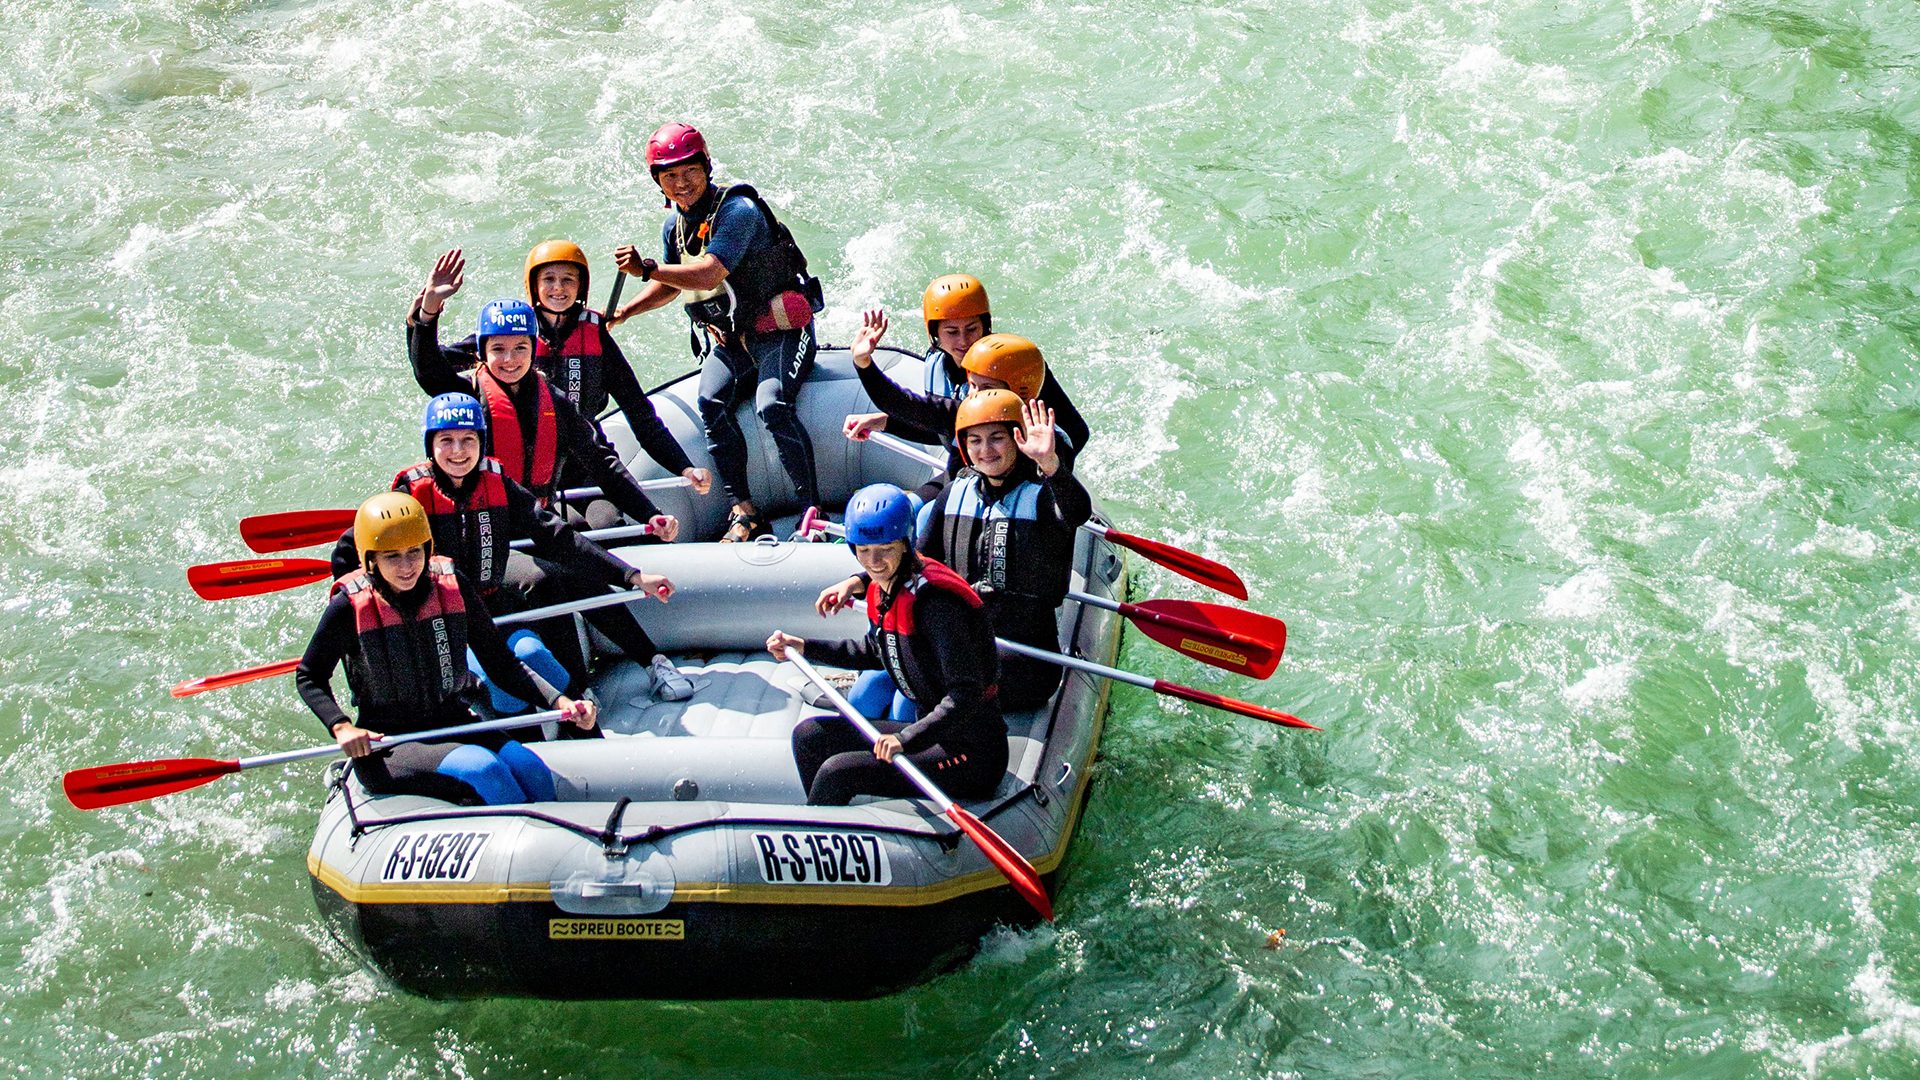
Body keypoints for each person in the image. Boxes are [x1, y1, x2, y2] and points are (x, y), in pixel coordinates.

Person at [327, 392, 686, 702]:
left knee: (555, 575)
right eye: (446, 441)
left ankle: (640, 664)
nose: (458, 452)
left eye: (468, 440)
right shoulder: (409, 497)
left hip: (489, 593)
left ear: (481, 442)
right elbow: (347, 552)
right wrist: (378, 603)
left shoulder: (497, 482)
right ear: (430, 446)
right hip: (440, 607)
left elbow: (558, 537)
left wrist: (633, 576)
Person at [297, 492, 599, 806]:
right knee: (482, 769)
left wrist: (559, 700)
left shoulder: (454, 587)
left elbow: (500, 662)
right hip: (389, 742)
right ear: (371, 559)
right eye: (392, 556)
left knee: (529, 766)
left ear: (428, 548)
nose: (406, 566)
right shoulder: (347, 608)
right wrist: (341, 725)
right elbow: (309, 676)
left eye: (414, 551)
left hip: (453, 718)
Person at [609, 122, 824, 541]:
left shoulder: (737, 212)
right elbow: (672, 285)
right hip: (735, 336)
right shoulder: (674, 226)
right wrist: (624, 312)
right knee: (710, 401)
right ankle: (743, 510)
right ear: (658, 182)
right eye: (669, 176)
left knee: (772, 403)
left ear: (706, 167)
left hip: (781, 329)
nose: (681, 183)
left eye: (689, 171)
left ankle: (809, 511)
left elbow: (710, 271)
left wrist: (647, 267)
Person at [820, 391, 1090, 711]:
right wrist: (857, 582)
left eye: (996, 439)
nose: (985, 450)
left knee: (913, 695)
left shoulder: (1044, 496)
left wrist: (1050, 464)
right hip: (962, 643)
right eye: (974, 440)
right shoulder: (955, 493)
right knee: (869, 691)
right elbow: (915, 562)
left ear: (1018, 439)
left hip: (1023, 659)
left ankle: (915, 748)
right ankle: (872, 749)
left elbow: (1077, 512)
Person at [408, 250, 684, 533]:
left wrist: (653, 511)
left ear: (531, 350)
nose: (510, 360)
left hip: (557, 491)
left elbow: (606, 456)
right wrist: (425, 317)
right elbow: (429, 371)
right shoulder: (471, 396)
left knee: (605, 529)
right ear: (482, 352)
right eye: (498, 350)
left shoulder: (556, 400)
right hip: (494, 515)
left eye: (520, 349)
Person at [767, 484, 1006, 806]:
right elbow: (876, 651)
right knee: (810, 736)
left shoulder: (937, 606)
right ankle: (837, 826)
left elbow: (965, 695)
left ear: (906, 544)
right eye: (863, 550)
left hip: (969, 753)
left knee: (838, 772)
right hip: (931, 736)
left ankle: (825, 825)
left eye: (885, 548)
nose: (874, 561)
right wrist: (806, 647)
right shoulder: (889, 586)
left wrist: (905, 739)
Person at [841, 313, 1091, 495]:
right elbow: (904, 404)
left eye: (986, 388)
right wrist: (864, 364)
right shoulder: (966, 409)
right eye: (972, 385)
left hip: (1022, 516)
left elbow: (1073, 508)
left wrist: (1049, 464)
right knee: (918, 515)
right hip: (970, 490)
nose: (975, 396)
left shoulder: (1046, 440)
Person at [839, 274, 992, 447]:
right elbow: (944, 431)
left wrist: (864, 364)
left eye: (971, 329)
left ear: (985, 327)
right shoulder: (937, 360)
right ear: (935, 333)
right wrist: (883, 422)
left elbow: (902, 404)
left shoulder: (996, 374)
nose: (963, 341)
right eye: (952, 332)